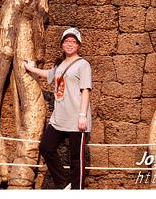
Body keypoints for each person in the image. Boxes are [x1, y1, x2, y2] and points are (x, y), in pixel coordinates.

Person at [23, 27, 92, 190]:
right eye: (66, 41)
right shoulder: (60, 64)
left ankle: (77, 190)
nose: (69, 44)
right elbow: (48, 74)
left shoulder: (83, 65)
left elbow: (86, 91)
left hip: (76, 119)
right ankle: (63, 183)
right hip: (59, 118)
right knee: (46, 147)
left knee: (76, 159)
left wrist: (82, 115)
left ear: (78, 45)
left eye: (73, 41)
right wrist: (31, 68)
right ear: (62, 44)